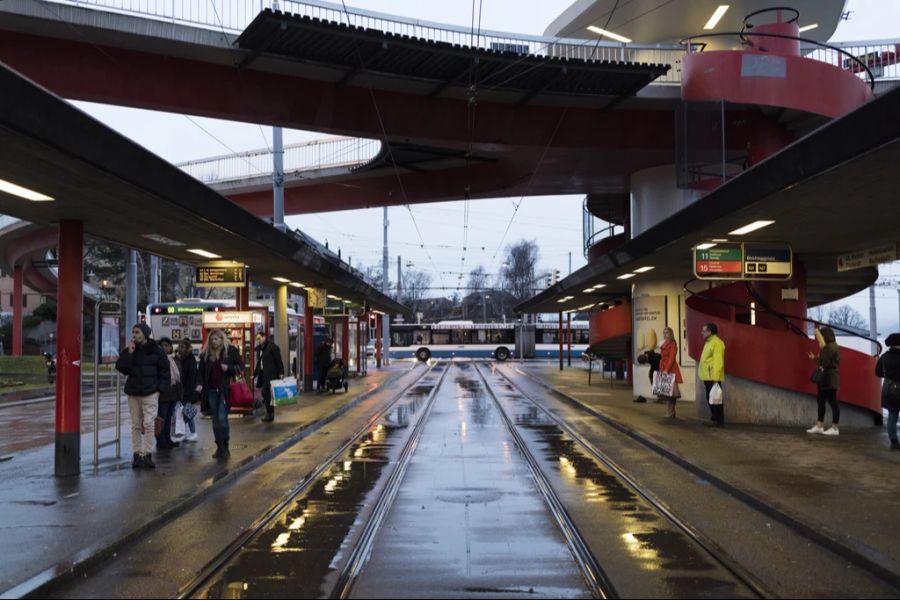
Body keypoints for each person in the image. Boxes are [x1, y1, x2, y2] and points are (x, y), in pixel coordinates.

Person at [115, 323, 170, 469]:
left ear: (145, 334)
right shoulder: (130, 350)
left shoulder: (157, 351)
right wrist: (129, 353)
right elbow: (122, 368)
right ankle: (137, 453)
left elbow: (165, 372)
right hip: (133, 393)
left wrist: (159, 390)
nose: (134, 335)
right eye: (133, 332)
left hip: (150, 392)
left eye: (137, 332)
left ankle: (147, 454)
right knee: (135, 424)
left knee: (149, 423)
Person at [198, 329, 243, 459]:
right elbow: (200, 372)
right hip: (211, 390)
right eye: (211, 339)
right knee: (215, 420)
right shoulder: (206, 354)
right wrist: (199, 385)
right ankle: (219, 447)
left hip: (225, 390)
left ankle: (226, 445)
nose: (213, 342)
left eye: (216, 339)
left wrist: (228, 368)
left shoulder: (230, 351)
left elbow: (240, 366)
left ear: (222, 339)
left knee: (222, 418)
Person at [806, 326, 841, 436]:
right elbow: (824, 362)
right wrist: (815, 358)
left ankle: (834, 428)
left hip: (828, 378)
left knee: (831, 402)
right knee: (822, 401)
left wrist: (816, 358)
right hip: (828, 378)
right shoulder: (832, 346)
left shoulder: (829, 347)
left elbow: (824, 363)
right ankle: (820, 425)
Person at [156, 337, 183, 449]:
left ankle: (167, 439)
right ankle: (160, 441)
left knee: (168, 419)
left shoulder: (175, 360)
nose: (164, 347)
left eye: (167, 345)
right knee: (161, 419)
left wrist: (180, 394)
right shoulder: (157, 360)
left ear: (171, 347)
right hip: (163, 394)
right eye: (162, 345)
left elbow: (180, 377)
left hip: (174, 394)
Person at [876, 333, 900, 450]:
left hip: (889, 388)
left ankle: (894, 441)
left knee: (892, 415)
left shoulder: (884, 356)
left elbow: (878, 373)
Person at [699, 322, 726, 427]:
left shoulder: (717, 343)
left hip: (712, 376)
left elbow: (718, 362)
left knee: (715, 399)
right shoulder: (708, 342)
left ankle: (717, 420)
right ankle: (714, 418)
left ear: (710, 332)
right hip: (707, 375)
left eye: (704, 331)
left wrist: (716, 378)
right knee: (711, 398)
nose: (702, 333)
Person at [254, 331, 284, 423]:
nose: (258, 341)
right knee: (267, 393)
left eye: (259, 339)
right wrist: (254, 374)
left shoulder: (272, 347)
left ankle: (269, 413)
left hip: (272, 374)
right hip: (263, 374)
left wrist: (281, 372)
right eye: (257, 339)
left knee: (265, 392)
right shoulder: (259, 349)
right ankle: (270, 413)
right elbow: (259, 363)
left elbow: (278, 360)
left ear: (264, 337)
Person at [659, 327, 683, 418]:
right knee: (667, 392)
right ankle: (670, 411)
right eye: (664, 333)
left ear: (671, 334)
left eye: (667, 333)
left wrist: (666, 370)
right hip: (664, 369)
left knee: (672, 393)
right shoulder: (664, 343)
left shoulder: (673, 344)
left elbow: (672, 359)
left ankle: (671, 411)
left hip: (671, 369)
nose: (665, 335)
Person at [177, 339, 199, 442]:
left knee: (187, 411)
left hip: (187, 390)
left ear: (187, 348)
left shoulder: (190, 359)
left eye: (182, 347)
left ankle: (193, 432)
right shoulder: (179, 358)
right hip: (180, 390)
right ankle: (184, 433)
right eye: (179, 346)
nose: (180, 349)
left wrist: (188, 391)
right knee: (181, 412)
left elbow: (192, 376)